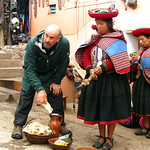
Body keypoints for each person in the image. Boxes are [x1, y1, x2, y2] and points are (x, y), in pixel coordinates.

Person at [75, 8, 131, 150]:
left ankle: (110, 138)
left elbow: (119, 58)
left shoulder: (118, 40)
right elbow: (86, 55)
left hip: (111, 80)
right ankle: (101, 136)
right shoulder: (94, 40)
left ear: (109, 24)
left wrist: (104, 67)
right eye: (97, 23)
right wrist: (89, 69)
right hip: (95, 80)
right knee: (100, 108)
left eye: (101, 24)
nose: (98, 27)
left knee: (110, 109)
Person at [11, 24, 71, 139]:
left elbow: (64, 64)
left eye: (51, 38)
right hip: (32, 74)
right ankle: (18, 124)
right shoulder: (32, 44)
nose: (47, 40)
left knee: (56, 97)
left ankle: (60, 124)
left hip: (50, 75)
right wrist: (39, 89)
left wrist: (57, 82)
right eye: (46, 36)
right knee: (25, 99)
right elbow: (29, 68)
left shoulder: (64, 44)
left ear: (58, 39)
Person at [130, 28, 150, 139]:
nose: (141, 42)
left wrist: (140, 59)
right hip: (141, 79)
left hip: (148, 82)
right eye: (139, 40)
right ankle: (145, 127)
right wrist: (133, 62)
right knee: (144, 106)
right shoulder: (141, 50)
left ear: (149, 39)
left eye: (142, 39)